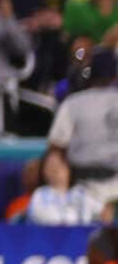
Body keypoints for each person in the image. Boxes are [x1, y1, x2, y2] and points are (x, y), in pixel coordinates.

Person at [47, 50, 118, 206]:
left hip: (81, 187)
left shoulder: (73, 103)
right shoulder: (73, 102)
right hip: (97, 183)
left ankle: (59, 207)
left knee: (53, 157)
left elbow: (56, 147)